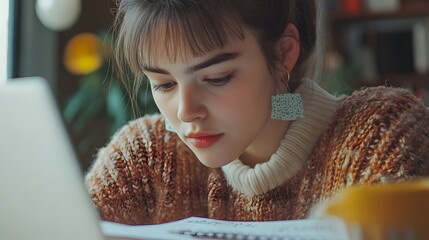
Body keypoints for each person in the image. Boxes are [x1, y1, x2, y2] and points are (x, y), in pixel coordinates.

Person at [85, 0, 429, 225]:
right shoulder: (145, 158)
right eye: (163, 84)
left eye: (217, 78)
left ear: (283, 54)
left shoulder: (380, 137)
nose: (187, 112)